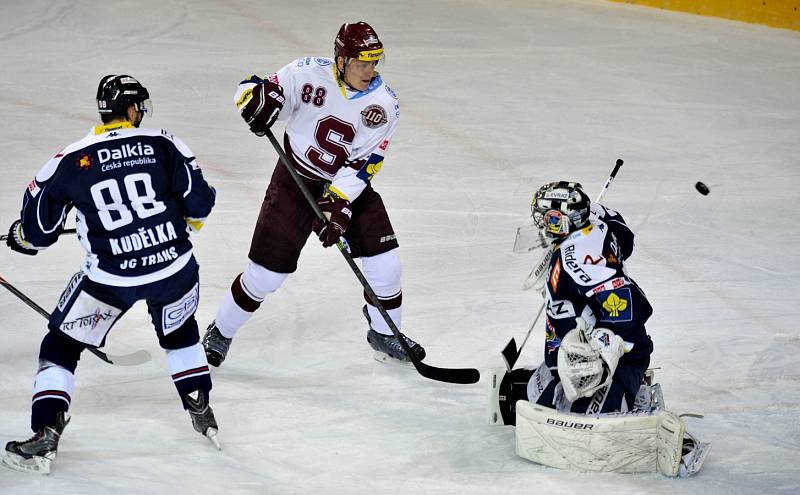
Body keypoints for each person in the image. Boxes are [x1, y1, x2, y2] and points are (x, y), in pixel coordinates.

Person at [3, 75, 219, 474]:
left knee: (61, 345)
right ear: (133, 110)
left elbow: (39, 232)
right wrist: (175, 231)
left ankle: (46, 433)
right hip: (175, 268)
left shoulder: (70, 158)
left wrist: (21, 237)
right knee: (179, 330)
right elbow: (201, 203)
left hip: (111, 279)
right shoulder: (163, 143)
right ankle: (199, 404)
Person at [202, 21, 425, 367]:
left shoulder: (385, 105)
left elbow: (366, 164)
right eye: (362, 62)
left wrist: (340, 202)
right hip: (294, 181)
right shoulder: (305, 72)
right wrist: (252, 99)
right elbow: (252, 88)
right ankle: (221, 330)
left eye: (375, 62)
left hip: (347, 186)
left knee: (386, 263)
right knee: (265, 275)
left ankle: (385, 332)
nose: (370, 70)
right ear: (341, 59)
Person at [497, 181, 654, 423]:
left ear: (568, 218)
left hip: (612, 359)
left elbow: (628, 304)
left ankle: (630, 393)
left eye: (550, 219)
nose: (543, 226)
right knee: (540, 402)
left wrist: (606, 346)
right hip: (569, 346)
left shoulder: (578, 260)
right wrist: (594, 210)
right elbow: (624, 235)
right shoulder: (595, 225)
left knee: (575, 419)